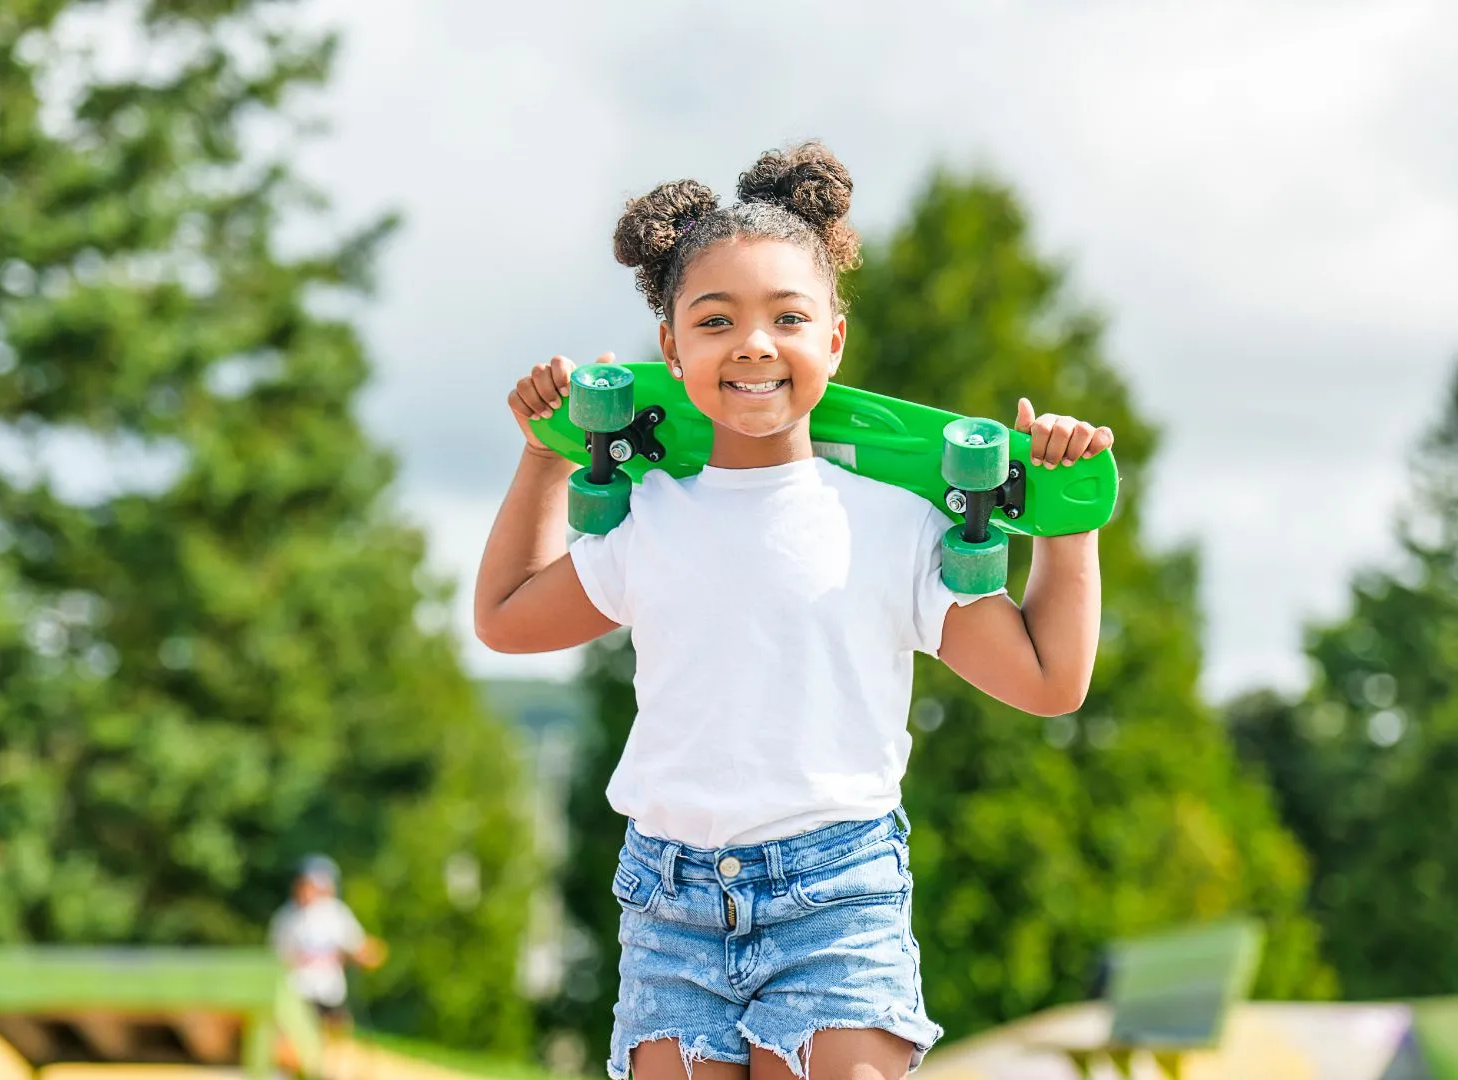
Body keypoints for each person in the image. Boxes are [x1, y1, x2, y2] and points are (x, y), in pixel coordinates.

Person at [474, 142, 1113, 1080]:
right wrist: (546, 453)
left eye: (787, 316)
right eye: (715, 319)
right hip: (671, 905)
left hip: (836, 901)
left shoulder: (898, 522)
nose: (753, 343)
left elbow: (1049, 679)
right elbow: (505, 617)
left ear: (835, 339)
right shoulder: (650, 517)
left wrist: (1064, 520)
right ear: (671, 348)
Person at [268, 855, 386, 1030]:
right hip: (298, 994)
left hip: (330, 994)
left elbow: (359, 948)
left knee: (336, 1039)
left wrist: (362, 955)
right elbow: (276, 959)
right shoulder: (285, 918)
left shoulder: (335, 913)